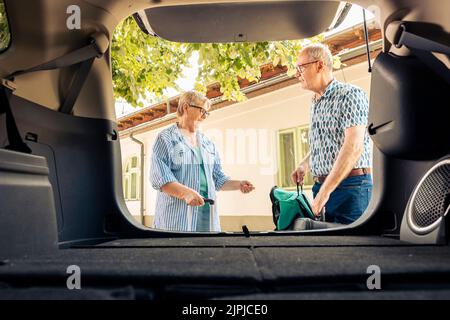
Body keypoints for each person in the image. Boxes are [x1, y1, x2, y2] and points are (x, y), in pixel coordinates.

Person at [291, 43, 373, 225]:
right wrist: (306, 164)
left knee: (352, 251)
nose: (297, 74)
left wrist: (323, 193)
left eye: (301, 68)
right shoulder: (315, 101)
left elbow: (353, 147)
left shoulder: (351, 95)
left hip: (352, 189)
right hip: (322, 188)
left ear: (319, 65)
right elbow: (328, 143)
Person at [150, 91, 255, 232]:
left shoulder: (208, 143)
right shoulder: (166, 138)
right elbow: (160, 178)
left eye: (207, 112)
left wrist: (239, 184)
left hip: (207, 217)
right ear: (186, 107)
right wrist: (186, 193)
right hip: (177, 218)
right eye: (202, 110)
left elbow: (218, 179)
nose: (205, 116)